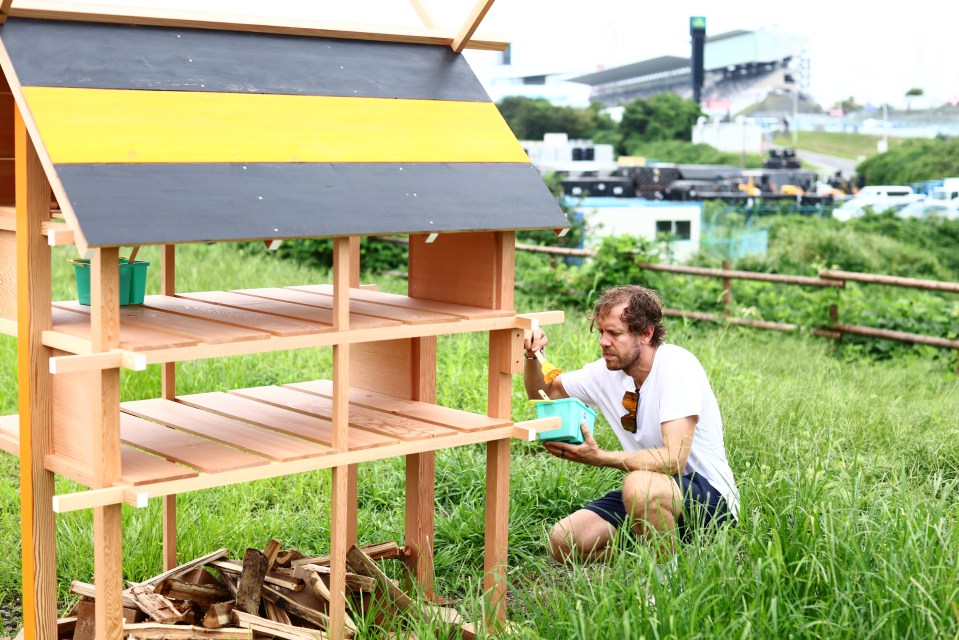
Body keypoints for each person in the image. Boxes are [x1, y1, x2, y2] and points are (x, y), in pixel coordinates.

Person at [524, 285, 739, 562]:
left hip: (710, 501)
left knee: (639, 485)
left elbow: (674, 460)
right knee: (564, 540)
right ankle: (656, 553)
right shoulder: (605, 373)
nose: (603, 341)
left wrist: (601, 458)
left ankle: (666, 583)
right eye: (601, 332)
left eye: (614, 333)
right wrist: (532, 355)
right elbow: (544, 393)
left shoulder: (676, 366)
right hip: (650, 498)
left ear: (646, 334)